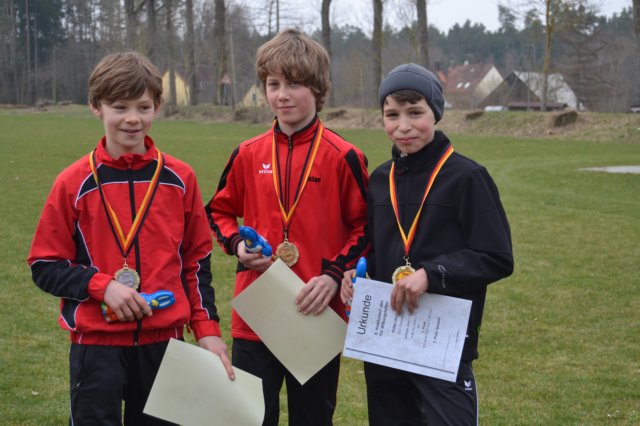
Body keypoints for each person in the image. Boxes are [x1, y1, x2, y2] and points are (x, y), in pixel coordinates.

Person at [27, 51, 234, 425]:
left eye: (143, 107)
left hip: (164, 345)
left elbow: (196, 263)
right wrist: (102, 287)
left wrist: (207, 330)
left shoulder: (180, 179)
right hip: (96, 347)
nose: (133, 118)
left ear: (158, 106)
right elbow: (45, 266)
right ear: (96, 107)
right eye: (119, 107)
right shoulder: (72, 182)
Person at [206, 28, 369, 426]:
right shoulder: (247, 154)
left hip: (315, 312)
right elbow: (218, 211)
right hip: (256, 315)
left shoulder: (344, 156)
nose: (282, 95)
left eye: (294, 84)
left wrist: (333, 275)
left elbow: (367, 228)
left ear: (317, 88)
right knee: (250, 418)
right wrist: (235, 244)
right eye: (273, 84)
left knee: (312, 418)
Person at [341, 63, 514, 425]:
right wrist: (354, 273)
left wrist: (431, 275)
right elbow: (372, 246)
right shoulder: (380, 180)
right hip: (387, 339)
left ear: (435, 112)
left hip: (442, 341)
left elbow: (496, 256)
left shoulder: (467, 177)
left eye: (415, 112)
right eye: (392, 115)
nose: (403, 126)